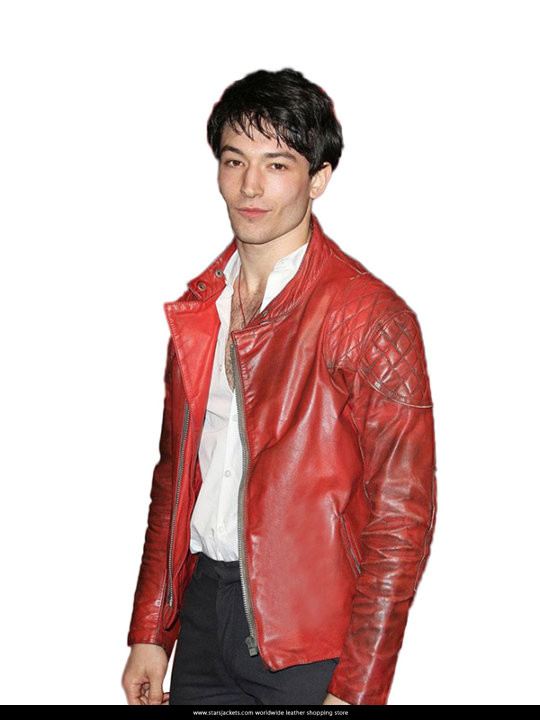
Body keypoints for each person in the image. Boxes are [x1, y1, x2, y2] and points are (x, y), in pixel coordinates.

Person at [122, 68, 436, 706]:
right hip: (202, 619)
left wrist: (357, 687)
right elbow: (175, 477)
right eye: (235, 160)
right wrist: (152, 630)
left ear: (319, 178)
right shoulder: (201, 310)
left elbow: (402, 517)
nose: (250, 186)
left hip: (309, 641)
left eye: (277, 164)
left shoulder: (370, 318)